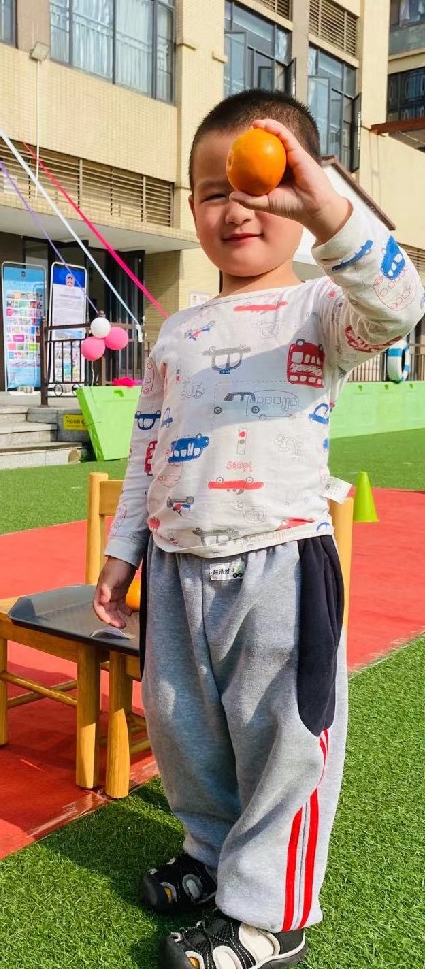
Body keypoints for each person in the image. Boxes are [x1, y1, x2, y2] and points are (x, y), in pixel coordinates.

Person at [93, 89, 424, 969]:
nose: (236, 209)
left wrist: (328, 213)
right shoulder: (176, 333)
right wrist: (123, 551)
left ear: (301, 190)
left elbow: (399, 305)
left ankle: (272, 916)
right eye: (213, 193)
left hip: (280, 563)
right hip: (173, 569)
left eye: (259, 190)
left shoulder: (321, 307)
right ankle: (210, 854)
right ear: (191, 207)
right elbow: (147, 450)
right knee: (183, 732)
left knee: (285, 742)